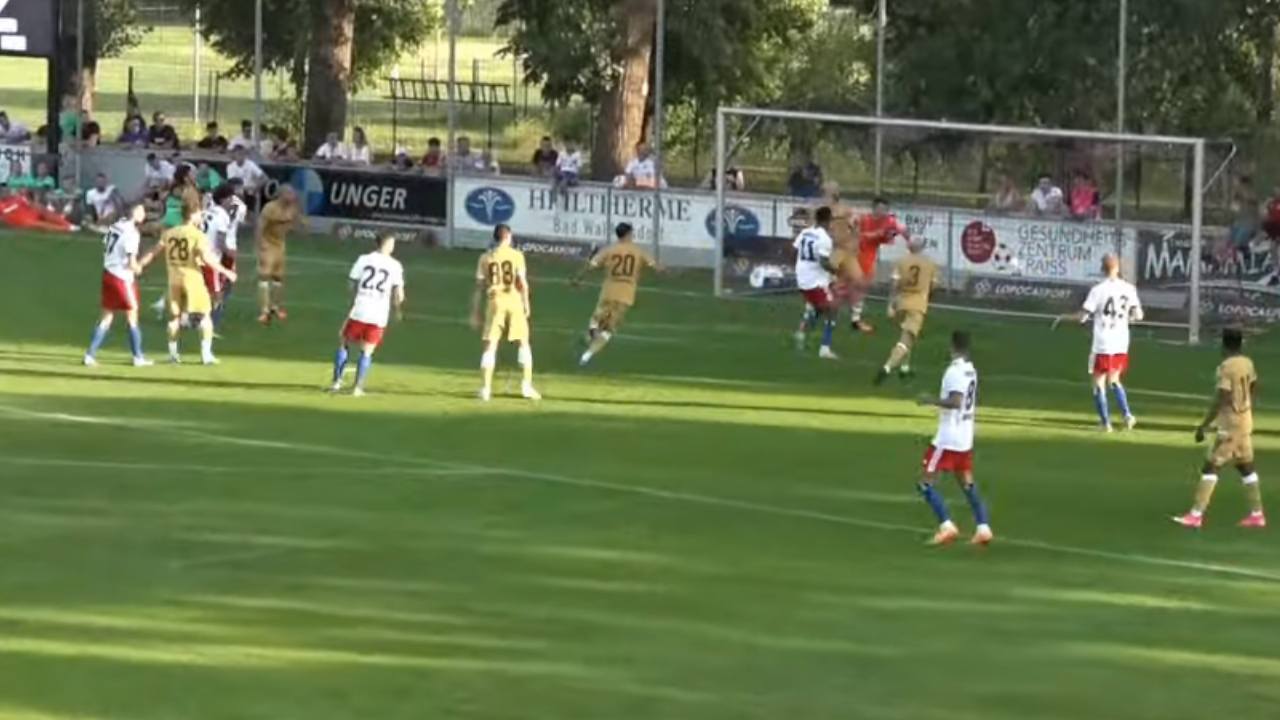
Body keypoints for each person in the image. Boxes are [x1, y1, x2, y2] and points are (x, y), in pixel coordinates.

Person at [1173, 328, 1265, 529]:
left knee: (1211, 466)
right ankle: (1257, 514)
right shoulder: (1247, 363)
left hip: (1230, 425)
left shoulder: (1226, 367)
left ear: (1224, 344)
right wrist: (1245, 405)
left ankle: (1196, 515)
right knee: (1245, 467)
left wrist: (1205, 425)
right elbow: (1253, 385)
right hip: (1245, 421)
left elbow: (1222, 396)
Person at [916, 330, 991, 546]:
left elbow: (956, 401)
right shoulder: (971, 370)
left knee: (925, 483)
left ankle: (946, 526)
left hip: (948, 438)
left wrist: (930, 400)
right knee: (966, 482)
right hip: (965, 437)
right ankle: (983, 527)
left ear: (952, 346)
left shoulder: (954, 371)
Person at [138, 206, 236, 364]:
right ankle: (206, 355)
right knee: (205, 316)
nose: (201, 216)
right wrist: (225, 271)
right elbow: (206, 258)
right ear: (192, 214)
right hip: (192, 280)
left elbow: (154, 252)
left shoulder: (169, 233)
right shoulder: (197, 235)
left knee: (174, 318)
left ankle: (173, 355)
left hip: (174, 280)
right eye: (199, 213)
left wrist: (140, 265)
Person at [1057, 254, 1143, 432]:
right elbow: (1138, 315)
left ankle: (1105, 423)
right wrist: (1128, 318)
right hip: (1121, 341)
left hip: (1103, 341)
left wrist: (1064, 317)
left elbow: (1083, 317)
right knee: (1115, 379)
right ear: (1118, 268)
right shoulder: (1129, 289)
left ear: (1102, 269)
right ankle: (1127, 415)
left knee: (1098, 382)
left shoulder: (1098, 290)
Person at [571, 222, 661, 366]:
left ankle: (591, 334)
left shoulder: (610, 250)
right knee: (608, 330)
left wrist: (577, 278)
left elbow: (591, 266)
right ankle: (587, 355)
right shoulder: (638, 251)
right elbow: (656, 267)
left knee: (596, 321)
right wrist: (667, 272)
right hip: (626, 295)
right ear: (628, 234)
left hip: (608, 292)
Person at [330, 235, 406, 397]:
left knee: (344, 342)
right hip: (379, 314)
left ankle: (336, 382)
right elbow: (399, 294)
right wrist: (398, 309)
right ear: (387, 244)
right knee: (367, 351)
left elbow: (351, 282)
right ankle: (357, 388)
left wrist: (354, 300)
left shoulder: (364, 259)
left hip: (360, 309)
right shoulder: (395, 265)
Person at [470, 224, 540, 401]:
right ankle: (526, 387)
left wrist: (475, 311)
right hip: (513, 300)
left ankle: (485, 389)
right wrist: (526, 303)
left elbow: (479, 287)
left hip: (495, 302)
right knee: (523, 343)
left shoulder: (485, 258)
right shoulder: (517, 256)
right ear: (508, 237)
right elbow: (522, 283)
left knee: (490, 345)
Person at [83, 205, 153, 367]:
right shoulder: (132, 233)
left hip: (108, 273)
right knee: (132, 315)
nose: (144, 214)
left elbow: (107, 245)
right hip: (122, 278)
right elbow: (131, 263)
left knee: (106, 317)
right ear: (135, 214)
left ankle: (89, 355)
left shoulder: (115, 226)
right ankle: (138, 357)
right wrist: (139, 269)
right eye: (142, 211)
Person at [875, 236, 938, 385]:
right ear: (922, 247)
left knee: (906, 335)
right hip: (917, 305)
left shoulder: (901, 261)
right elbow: (934, 285)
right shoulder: (930, 264)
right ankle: (887, 367)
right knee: (905, 340)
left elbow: (894, 284)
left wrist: (890, 304)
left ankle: (904, 368)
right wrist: (927, 296)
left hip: (901, 303)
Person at [851, 197, 908, 333]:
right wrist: (875, 234)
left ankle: (855, 318)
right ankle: (853, 317)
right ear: (874, 208)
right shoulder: (864, 219)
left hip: (868, 256)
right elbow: (855, 231)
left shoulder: (890, 221)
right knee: (855, 286)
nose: (883, 212)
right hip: (857, 254)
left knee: (861, 287)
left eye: (885, 209)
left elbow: (902, 231)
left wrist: (905, 237)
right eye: (880, 209)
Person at [792, 206, 839, 360]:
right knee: (832, 310)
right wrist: (836, 271)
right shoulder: (825, 238)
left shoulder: (805, 232)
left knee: (818, 308)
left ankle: (801, 333)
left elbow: (794, 250)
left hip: (802, 278)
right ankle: (825, 348)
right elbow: (823, 262)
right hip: (815, 282)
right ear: (827, 221)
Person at [256, 186, 303, 324]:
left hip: (280, 245)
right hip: (268, 244)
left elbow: (298, 223)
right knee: (264, 275)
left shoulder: (293, 208)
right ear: (281, 195)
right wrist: (260, 244)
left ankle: (275, 307)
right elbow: (260, 226)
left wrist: (299, 225)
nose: (292, 197)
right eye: (289, 194)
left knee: (278, 277)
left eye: (293, 194)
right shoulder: (270, 208)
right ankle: (264, 311)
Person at [199, 185, 238, 325]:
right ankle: (211, 322)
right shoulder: (222, 216)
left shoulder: (206, 211)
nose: (232, 201)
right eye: (230, 198)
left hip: (198, 256)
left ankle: (196, 317)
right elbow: (220, 241)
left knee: (200, 289)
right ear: (222, 199)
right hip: (212, 259)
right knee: (216, 292)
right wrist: (230, 253)